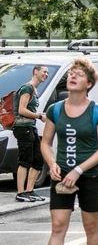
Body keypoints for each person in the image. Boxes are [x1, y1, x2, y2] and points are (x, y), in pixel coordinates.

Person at [37, 58, 98, 245]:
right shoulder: (55, 110)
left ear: (88, 83)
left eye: (78, 74)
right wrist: (52, 163)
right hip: (61, 177)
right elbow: (45, 143)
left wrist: (78, 170)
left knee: (91, 226)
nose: (72, 76)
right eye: (71, 73)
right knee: (58, 226)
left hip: (89, 176)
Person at [12, 65, 49, 202]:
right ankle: (21, 193)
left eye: (47, 72)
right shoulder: (27, 88)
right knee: (25, 160)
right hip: (23, 127)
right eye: (44, 72)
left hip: (30, 127)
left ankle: (30, 191)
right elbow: (21, 110)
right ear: (35, 72)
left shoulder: (34, 89)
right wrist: (39, 116)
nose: (46, 74)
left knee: (38, 159)